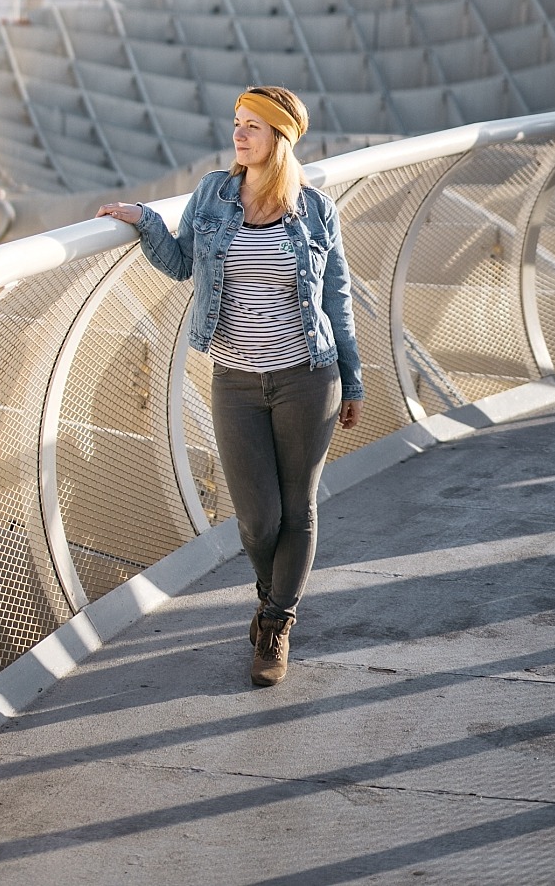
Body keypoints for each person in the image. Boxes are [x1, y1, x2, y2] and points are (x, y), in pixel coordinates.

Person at [97, 85, 363, 687]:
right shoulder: (213, 195)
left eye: (253, 127)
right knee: (256, 520)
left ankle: (275, 624)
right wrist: (146, 222)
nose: (239, 135)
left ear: (280, 140)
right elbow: (181, 262)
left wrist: (352, 380)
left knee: (299, 508)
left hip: (307, 378)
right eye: (238, 123)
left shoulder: (317, 209)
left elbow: (336, 300)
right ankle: (273, 593)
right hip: (236, 382)